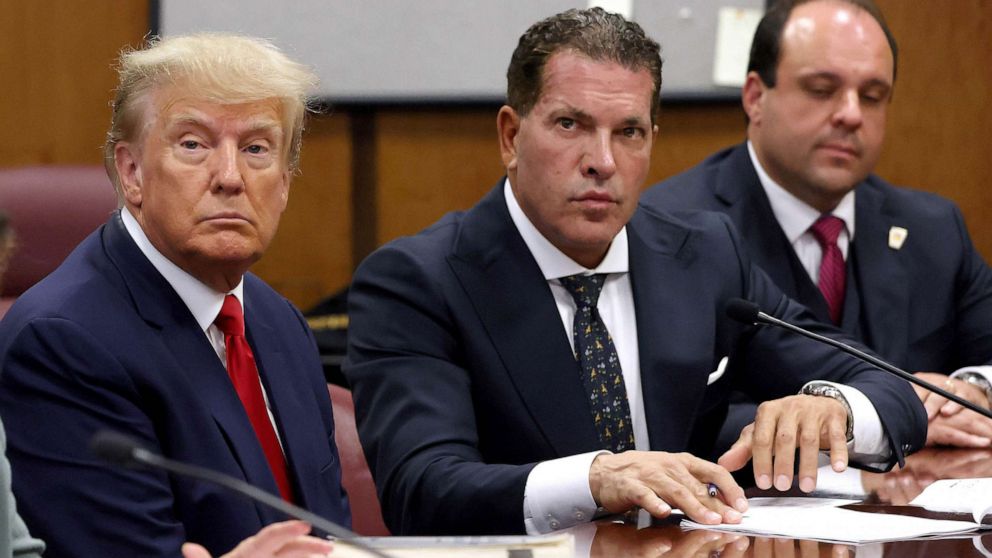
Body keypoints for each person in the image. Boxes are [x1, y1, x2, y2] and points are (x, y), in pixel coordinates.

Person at [344, 7, 925, 537]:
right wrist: (593, 479)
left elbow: (895, 390)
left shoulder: (705, 255)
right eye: (571, 125)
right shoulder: (418, 282)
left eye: (629, 132)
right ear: (511, 136)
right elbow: (421, 490)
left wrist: (835, 408)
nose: (602, 161)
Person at [0, 34, 349, 557]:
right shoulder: (60, 343)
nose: (230, 177)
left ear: (284, 183)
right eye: (193, 144)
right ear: (132, 172)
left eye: (256, 149)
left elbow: (331, 536)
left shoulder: (278, 322)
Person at [641, 0, 992, 449]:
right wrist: (873, 424)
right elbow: (679, 414)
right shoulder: (674, 232)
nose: (850, 114)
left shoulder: (933, 229)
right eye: (822, 89)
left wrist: (970, 392)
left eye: (872, 96)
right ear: (754, 97)